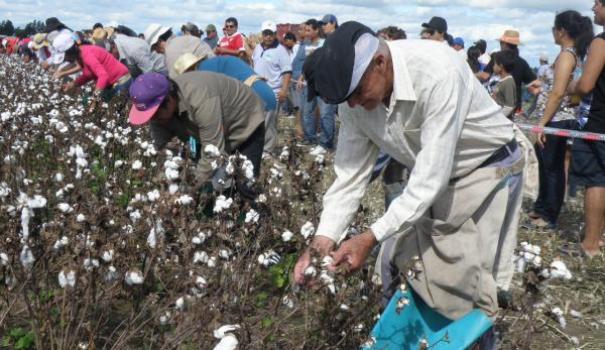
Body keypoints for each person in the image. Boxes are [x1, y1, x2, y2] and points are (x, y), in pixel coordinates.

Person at [294, 22, 526, 334]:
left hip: (487, 169)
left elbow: (429, 180)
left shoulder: (437, 72)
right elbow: (350, 176)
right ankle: (400, 334)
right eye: (345, 99)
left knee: (471, 280)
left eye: (357, 93)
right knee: (397, 260)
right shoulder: (354, 99)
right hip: (434, 173)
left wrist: (369, 236)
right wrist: (322, 241)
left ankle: (471, 337)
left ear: (380, 62)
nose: (352, 104)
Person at [128, 72, 266, 197]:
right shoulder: (158, 112)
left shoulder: (201, 99)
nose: (154, 119)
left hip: (245, 122)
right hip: (212, 131)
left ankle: (259, 218)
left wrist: (187, 189)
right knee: (218, 186)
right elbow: (164, 151)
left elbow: (213, 153)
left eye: (155, 114)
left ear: (169, 100)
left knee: (245, 185)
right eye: (150, 116)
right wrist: (168, 184)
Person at [528, 10, 594, 230]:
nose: (553, 33)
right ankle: (542, 207)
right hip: (557, 117)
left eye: (554, 29)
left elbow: (557, 92)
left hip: (557, 119)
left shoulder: (567, 55)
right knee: (547, 166)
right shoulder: (572, 53)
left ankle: (549, 214)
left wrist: (542, 123)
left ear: (562, 30)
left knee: (552, 168)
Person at [567, 0, 605, 257]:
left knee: (596, 180)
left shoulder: (601, 42)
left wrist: (572, 87)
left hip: (597, 121)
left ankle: (590, 244)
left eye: (597, 3)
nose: (593, 8)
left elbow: (586, 84)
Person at [172, 53, 276, 112]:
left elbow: (211, 103)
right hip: (267, 92)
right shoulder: (215, 63)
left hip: (253, 99)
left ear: (189, 70)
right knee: (267, 147)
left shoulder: (203, 73)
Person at [295, 18, 337, 155]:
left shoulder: (325, 43)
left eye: (308, 30)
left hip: (323, 84)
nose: (305, 33)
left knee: (325, 113)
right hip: (308, 84)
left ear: (316, 30)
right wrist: (302, 77)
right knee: (307, 112)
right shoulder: (304, 44)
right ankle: (310, 138)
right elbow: (305, 63)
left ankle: (326, 143)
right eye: (305, 30)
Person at [60, 34, 131, 109]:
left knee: (115, 109)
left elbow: (103, 76)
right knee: (93, 104)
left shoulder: (87, 55)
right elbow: (88, 75)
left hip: (122, 80)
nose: (66, 60)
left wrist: (95, 100)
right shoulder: (81, 55)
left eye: (66, 58)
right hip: (114, 82)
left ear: (70, 52)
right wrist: (71, 85)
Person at [252, 22, 292, 155]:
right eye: (265, 33)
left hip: (273, 91)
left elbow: (287, 72)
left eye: (270, 34)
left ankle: (268, 150)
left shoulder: (281, 50)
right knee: (259, 120)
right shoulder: (258, 48)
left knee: (269, 121)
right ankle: (260, 145)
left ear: (275, 35)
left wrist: (284, 90)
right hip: (257, 89)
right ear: (262, 34)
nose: (268, 37)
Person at [478, 30, 540, 114]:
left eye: (501, 43)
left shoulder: (498, 58)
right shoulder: (522, 62)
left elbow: (484, 76)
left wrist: (471, 74)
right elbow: (535, 85)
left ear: (504, 43)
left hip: (496, 106)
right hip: (515, 107)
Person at [491, 50, 517, 119]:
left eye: (494, 64)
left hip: (503, 122)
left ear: (501, 66)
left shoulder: (508, 82)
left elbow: (509, 107)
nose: (493, 66)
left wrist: (498, 118)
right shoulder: (502, 81)